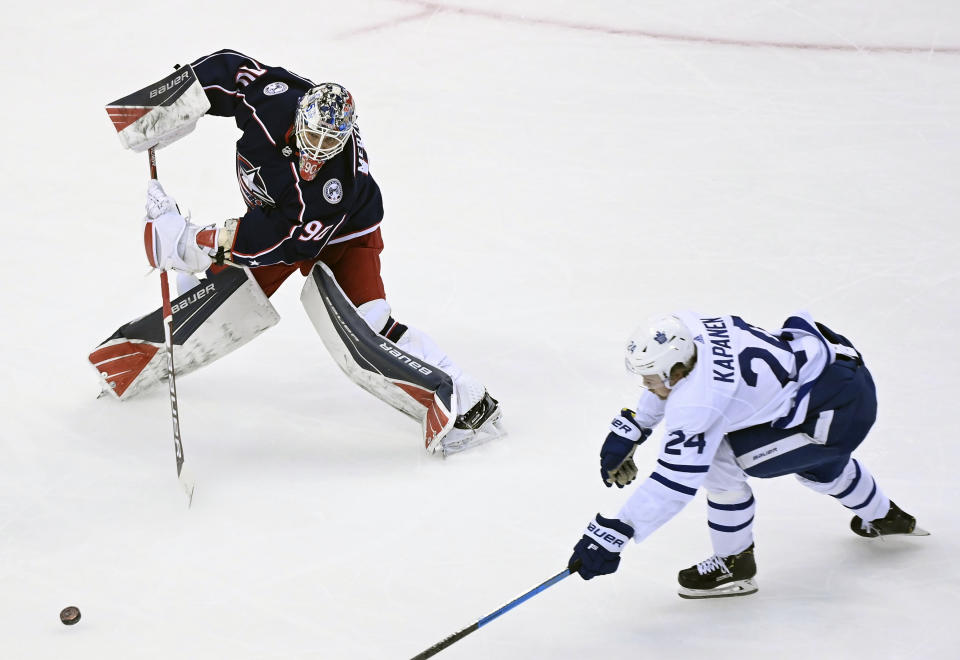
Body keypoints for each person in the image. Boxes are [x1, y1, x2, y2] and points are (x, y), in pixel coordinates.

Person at [114, 49, 502, 454]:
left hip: (345, 236)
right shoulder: (273, 98)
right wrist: (171, 105)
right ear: (299, 116)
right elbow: (229, 70)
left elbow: (282, 240)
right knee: (225, 296)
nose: (317, 151)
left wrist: (193, 242)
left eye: (330, 142)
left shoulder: (334, 186)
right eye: (312, 136)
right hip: (282, 220)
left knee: (367, 326)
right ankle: (164, 329)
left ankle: (462, 399)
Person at [568, 311, 926, 598]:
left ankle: (734, 564)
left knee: (718, 462)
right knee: (823, 468)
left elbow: (674, 483)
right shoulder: (689, 327)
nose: (645, 385)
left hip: (833, 413)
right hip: (834, 377)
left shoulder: (697, 403)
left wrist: (616, 532)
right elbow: (673, 381)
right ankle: (886, 517)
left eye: (650, 378)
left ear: (675, 372)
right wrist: (634, 426)